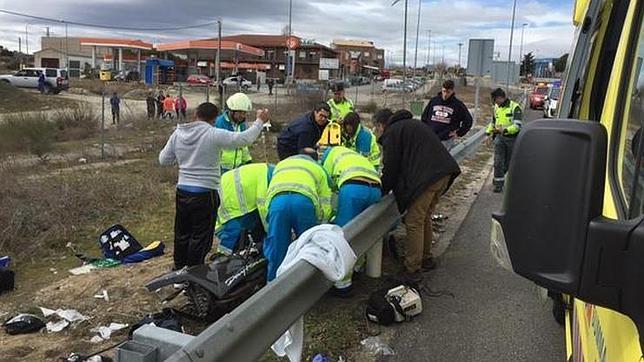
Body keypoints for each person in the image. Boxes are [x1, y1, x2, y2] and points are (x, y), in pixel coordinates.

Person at [158, 102, 268, 272]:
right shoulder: (213, 134)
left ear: (196, 113)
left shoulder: (178, 133)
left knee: (182, 232)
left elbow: (164, 159)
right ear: (215, 119)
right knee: (200, 236)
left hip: (183, 191)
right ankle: (194, 272)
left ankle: (178, 269)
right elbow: (244, 139)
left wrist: (184, 159)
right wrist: (260, 121)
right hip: (205, 192)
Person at [373, 108, 460, 281]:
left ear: (381, 125)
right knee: (424, 217)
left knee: (413, 222)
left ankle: (412, 269)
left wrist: (381, 190)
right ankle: (426, 258)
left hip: (428, 179)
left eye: (376, 128)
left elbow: (391, 168)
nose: (376, 131)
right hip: (444, 174)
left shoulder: (393, 133)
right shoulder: (412, 125)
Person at [264, 151, 334, 281]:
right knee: (307, 246)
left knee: (277, 247)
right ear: (315, 159)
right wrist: (321, 224)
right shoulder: (318, 168)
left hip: (277, 203)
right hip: (303, 203)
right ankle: (305, 283)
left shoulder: (281, 164)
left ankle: (272, 286)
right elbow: (325, 200)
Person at [321, 146, 381, 293]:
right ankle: (358, 267)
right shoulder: (354, 156)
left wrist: (331, 215)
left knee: (343, 236)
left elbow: (329, 186)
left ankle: (343, 284)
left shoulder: (329, 157)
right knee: (363, 231)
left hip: (353, 190)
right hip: (376, 189)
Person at [215, 163, 274, 254]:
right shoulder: (269, 175)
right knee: (232, 232)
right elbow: (263, 208)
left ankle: (223, 259)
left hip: (228, 191)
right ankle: (222, 259)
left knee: (233, 230)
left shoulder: (267, 171)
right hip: (232, 199)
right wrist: (271, 231)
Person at [485, 88, 523, 193]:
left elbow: (517, 126)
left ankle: (503, 177)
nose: (494, 102)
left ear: (501, 97)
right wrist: (488, 133)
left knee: (508, 163)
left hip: (512, 139)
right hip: (499, 138)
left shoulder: (515, 107)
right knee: (498, 162)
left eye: (495, 100)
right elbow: (493, 122)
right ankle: (498, 185)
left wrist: (505, 130)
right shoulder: (496, 107)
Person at [421, 79, 473, 150]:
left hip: (445, 140)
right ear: (442, 89)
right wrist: (425, 130)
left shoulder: (457, 105)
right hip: (430, 137)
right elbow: (424, 117)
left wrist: (459, 133)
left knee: (439, 160)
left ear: (452, 91)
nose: (445, 94)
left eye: (448, 92)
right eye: (444, 91)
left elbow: (468, 120)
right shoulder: (434, 101)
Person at [215, 93, 254, 173]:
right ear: (231, 111)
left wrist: (247, 160)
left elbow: (243, 145)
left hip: (237, 168)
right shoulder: (219, 123)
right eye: (240, 113)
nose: (242, 116)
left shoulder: (241, 125)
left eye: (244, 113)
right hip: (221, 168)